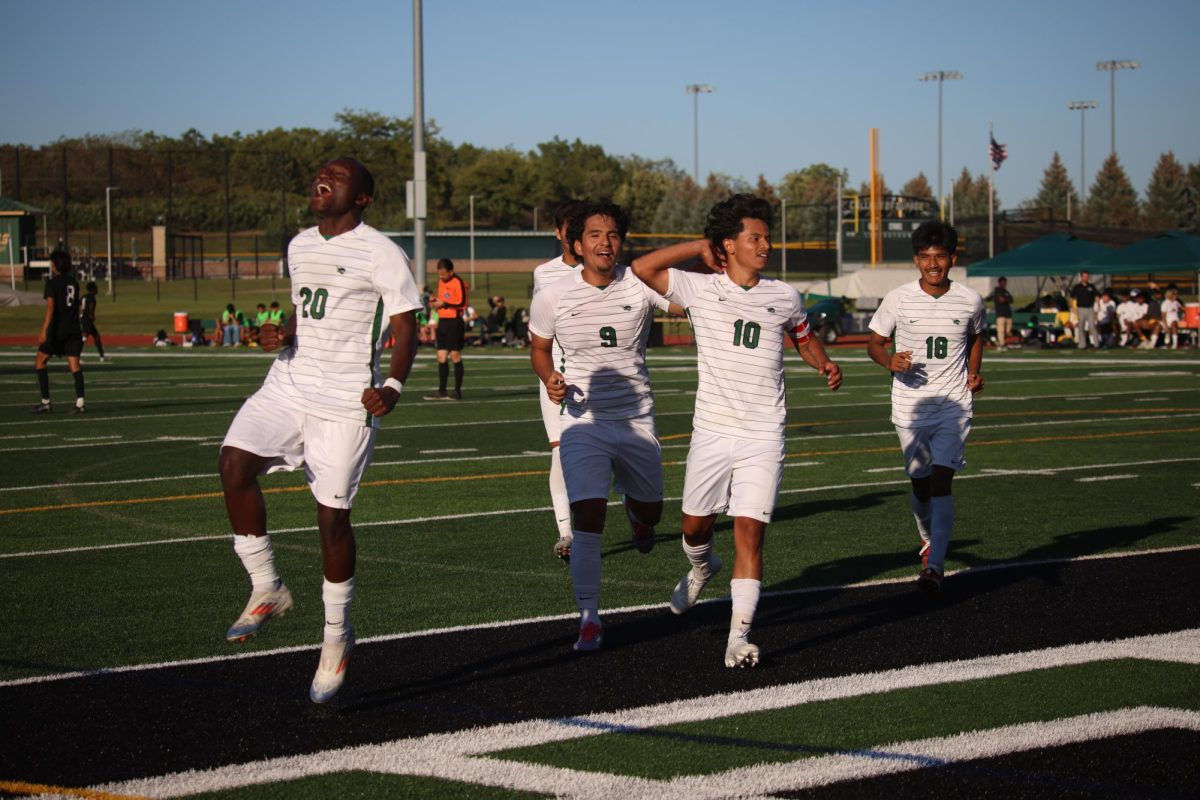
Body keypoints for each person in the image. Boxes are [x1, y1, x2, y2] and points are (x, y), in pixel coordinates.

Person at [219, 157, 421, 704]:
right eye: (319, 172)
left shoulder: (382, 252)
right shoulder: (299, 244)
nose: (321, 179)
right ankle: (267, 586)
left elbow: (406, 325)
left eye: (338, 174)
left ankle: (336, 638)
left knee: (332, 520)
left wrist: (395, 386)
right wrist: (275, 332)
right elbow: (304, 316)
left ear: (362, 197)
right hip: (288, 381)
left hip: (345, 400)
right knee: (234, 464)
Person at [631, 194, 842, 668]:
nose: (766, 245)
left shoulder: (785, 295)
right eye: (755, 238)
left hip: (765, 433)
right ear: (729, 245)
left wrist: (824, 363)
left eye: (767, 237)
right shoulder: (698, 288)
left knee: (751, 534)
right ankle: (703, 566)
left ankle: (738, 637)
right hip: (711, 431)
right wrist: (698, 245)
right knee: (693, 527)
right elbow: (641, 268)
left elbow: (803, 340)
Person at [528, 200, 681, 652]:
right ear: (576, 244)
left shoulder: (638, 285)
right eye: (594, 234)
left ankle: (638, 515)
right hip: (582, 419)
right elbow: (538, 348)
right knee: (588, 515)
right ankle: (590, 617)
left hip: (636, 418)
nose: (604, 242)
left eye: (612, 234)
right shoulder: (552, 293)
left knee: (652, 510)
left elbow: (686, 306)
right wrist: (549, 377)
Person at [866, 220, 985, 596]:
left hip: (953, 404)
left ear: (952, 258)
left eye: (940, 257)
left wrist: (974, 372)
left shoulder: (970, 299)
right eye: (926, 257)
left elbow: (977, 336)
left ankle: (934, 568)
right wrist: (889, 361)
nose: (933, 264)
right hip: (909, 406)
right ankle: (926, 536)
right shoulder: (898, 298)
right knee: (919, 484)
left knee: (940, 481)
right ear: (916, 260)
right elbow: (874, 343)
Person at [531, 198, 588, 561]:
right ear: (559, 233)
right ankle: (566, 532)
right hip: (554, 376)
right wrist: (549, 374)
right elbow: (540, 333)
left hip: (595, 375)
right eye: (569, 230)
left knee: (617, 452)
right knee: (558, 453)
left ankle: (636, 510)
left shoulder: (604, 268)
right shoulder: (543, 273)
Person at [33, 250, 87, 414]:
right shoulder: (74, 282)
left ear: (55, 265)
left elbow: (51, 308)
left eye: (52, 263)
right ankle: (80, 403)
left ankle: (46, 402)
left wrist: (44, 330)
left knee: (40, 361)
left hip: (58, 330)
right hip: (74, 329)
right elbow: (76, 307)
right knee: (75, 366)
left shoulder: (52, 283)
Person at [425, 258, 467, 399]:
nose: (441, 277)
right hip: (442, 321)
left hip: (455, 322)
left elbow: (462, 302)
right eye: (439, 274)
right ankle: (442, 390)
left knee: (454, 355)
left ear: (451, 271)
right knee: (441, 356)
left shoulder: (458, 282)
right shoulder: (441, 282)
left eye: (443, 274)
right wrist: (434, 302)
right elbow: (442, 299)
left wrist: (444, 304)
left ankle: (457, 391)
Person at [80, 281, 110, 361]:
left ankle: (102, 356)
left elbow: (79, 306)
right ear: (93, 289)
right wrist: (91, 315)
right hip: (87, 319)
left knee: (96, 336)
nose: (97, 290)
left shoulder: (84, 297)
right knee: (84, 337)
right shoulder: (91, 297)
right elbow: (91, 306)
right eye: (96, 288)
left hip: (83, 318)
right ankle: (76, 354)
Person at [1069, 271, 1099, 349]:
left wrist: (1098, 305)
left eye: (1087, 276)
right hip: (1080, 309)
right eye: (1084, 276)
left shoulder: (1091, 286)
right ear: (1081, 277)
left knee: (1092, 326)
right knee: (1081, 327)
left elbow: (1096, 296)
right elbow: (1072, 297)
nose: (1086, 278)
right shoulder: (1077, 287)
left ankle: (1096, 344)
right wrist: (1073, 308)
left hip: (1090, 308)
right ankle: (1082, 345)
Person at [986, 276, 1014, 351]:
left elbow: (1011, 300)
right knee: (1001, 330)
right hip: (1000, 314)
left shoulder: (1005, 291)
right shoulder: (996, 291)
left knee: (1008, 331)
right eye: (1002, 283)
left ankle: (1003, 342)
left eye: (1005, 283)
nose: (1004, 284)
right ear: (999, 283)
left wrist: (1005, 300)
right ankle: (1002, 344)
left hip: (1008, 314)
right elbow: (988, 298)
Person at [1161, 285, 1183, 350]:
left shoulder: (1176, 302)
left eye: (1176, 295)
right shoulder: (1165, 303)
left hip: (1175, 319)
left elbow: (1182, 308)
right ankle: (1167, 336)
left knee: (1173, 324)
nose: (1176, 296)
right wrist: (1166, 326)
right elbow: (1163, 316)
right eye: (1174, 295)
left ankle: (1175, 344)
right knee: (1169, 327)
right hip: (1167, 320)